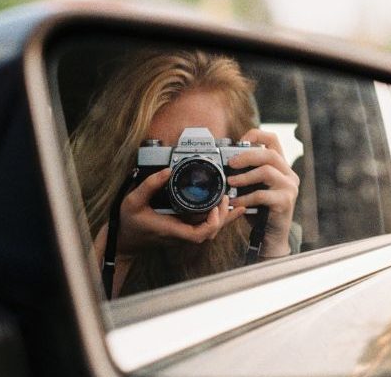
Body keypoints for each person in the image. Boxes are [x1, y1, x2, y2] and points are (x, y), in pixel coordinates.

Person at [69, 49, 300, 298]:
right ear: (127, 162)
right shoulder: (70, 234)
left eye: (206, 156)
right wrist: (122, 247)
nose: (191, 175)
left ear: (238, 158)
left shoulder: (254, 232)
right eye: (167, 157)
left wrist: (272, 243)